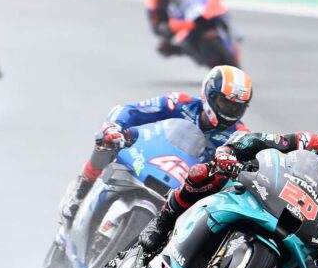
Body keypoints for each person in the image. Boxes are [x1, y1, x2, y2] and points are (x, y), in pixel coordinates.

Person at [119, 117, 318, 268]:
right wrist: (230, 154)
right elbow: (259, 140)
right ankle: (162, 222)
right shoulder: (309, 143)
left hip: (300, 232)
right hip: (265, 191)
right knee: (203, 174)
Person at [60, 65, 253, 226]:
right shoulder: (180, 103)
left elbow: (253, 168)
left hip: (191, 185)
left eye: (236, 106)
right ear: (209, 93)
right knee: (107, 139)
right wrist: (114, 127)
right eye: (224, 102)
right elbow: (133, 110)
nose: (230, 110)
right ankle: (81, 190)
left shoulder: (241, 135)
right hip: (155, 157)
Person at [145, 0, 231, 63]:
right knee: (164, 48)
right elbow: (155, 26)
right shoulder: (154, 2)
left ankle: (231, 34)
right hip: (179, 24)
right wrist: (164, 28)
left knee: (220, 13)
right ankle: (198, 56)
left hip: (196, 14)